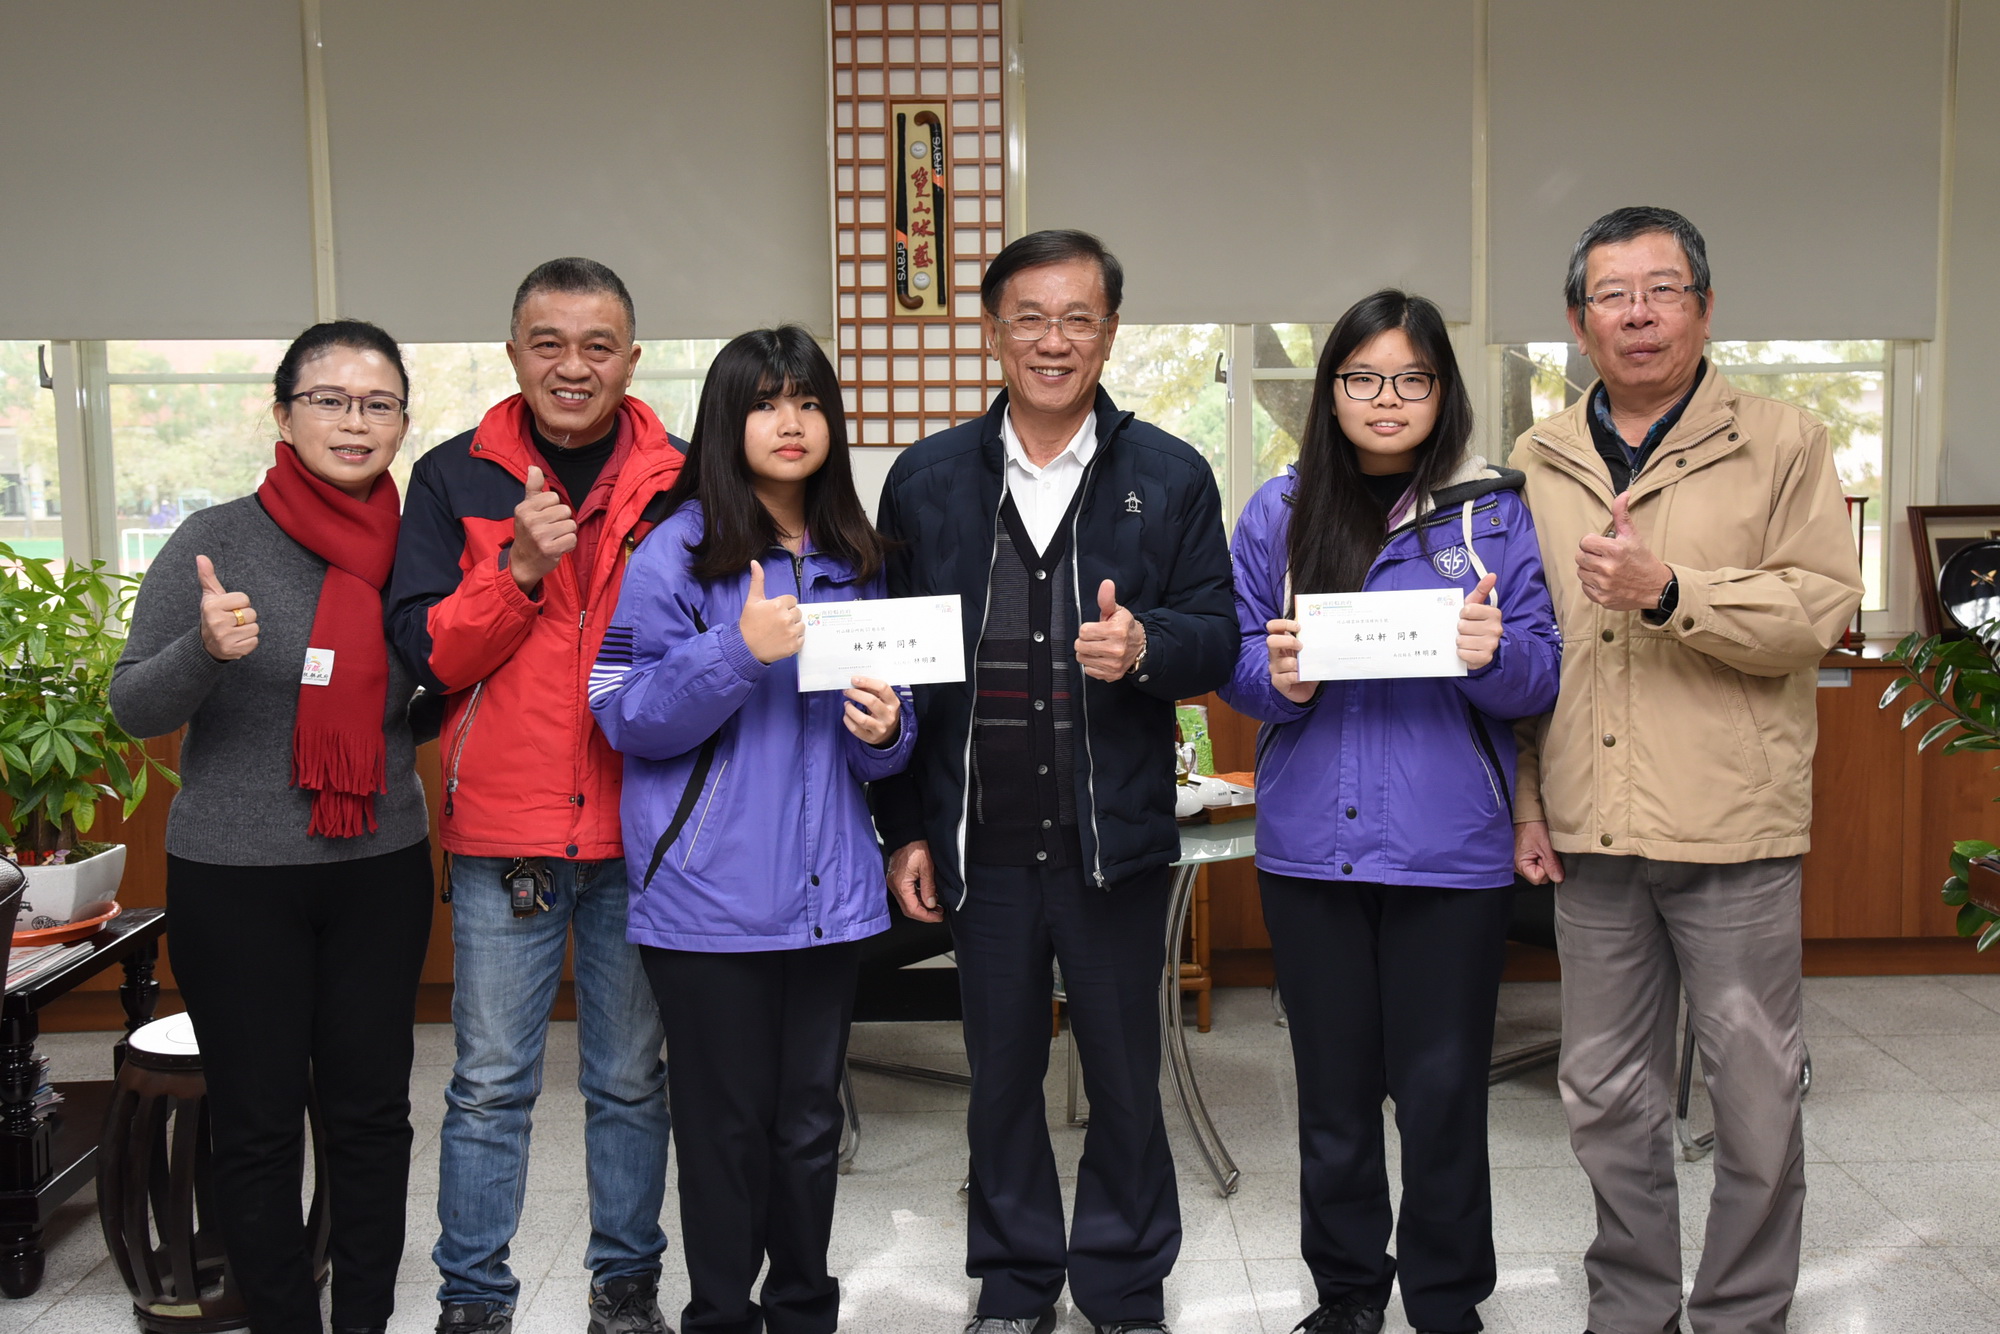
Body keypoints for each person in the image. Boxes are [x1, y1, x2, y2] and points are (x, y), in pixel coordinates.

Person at [870, 229, 1238, 1334]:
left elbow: (1217, 636)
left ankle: (1123, 1284)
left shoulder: (1168, 474)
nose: (1052, 339)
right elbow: (892, 669)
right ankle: (1015, 1280)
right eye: (1029, 317)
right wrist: (905, 826)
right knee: (999, 1079)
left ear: (1110, 332)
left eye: (1078, 317)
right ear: (993, 330)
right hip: (979, 841)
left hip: (1109, 839)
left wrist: (1146, 646)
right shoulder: (927, 481)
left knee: (1124, 1075)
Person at [1510, 207, 1864, 1334]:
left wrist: (1670, 591)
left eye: (1662, 290)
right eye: (1612, 295)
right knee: (1603, 1097)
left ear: (1704, 308)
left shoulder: (1783, 441)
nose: (1638, 314)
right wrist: (1528, 800)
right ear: (1578, 321)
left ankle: (1742, 1313)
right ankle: (1629, 1309)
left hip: (1732, 827)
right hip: (1589, 827)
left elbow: (1816, 611)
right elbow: (1528, 648)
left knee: (1753, 1096)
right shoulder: (1536, 458)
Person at [1222, 291, 1561, 1334]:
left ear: (1441, 393)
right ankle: (1345, 1294)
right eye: (1362, 377)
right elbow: (1235, 657)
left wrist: (1491, 656)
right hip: (1308, 851)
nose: (1386, 398)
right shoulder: (1277, 511)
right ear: (1329, 391)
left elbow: (1542, 670)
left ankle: (1446, 1298)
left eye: (1411, 378)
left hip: (1448, 852)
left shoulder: (1489, 513)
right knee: (1330, 1093)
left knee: (1442, 1092)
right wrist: (1279, 678)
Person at [110, 320, 432, 1334]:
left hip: (379, 864)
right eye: (329, 399)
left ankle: (365, 1321)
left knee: (372, 1117)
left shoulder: (419, 546)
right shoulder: (213, 538)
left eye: (377, 403)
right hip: (235, 876)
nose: (354, 421)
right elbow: (133, 706)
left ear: (403, 422)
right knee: (256, 1125)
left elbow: (433, 686)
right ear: (283, 414)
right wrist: (205, 651)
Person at [591, 326, 913, 1334]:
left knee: (809, 1127)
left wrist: (888, 732)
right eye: (766, 402)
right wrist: (737, 651)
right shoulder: (676, 552)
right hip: (707, 899)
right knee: (723, 1132)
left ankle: (804, 1309)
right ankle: (721, 1315)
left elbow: (877, 746)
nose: (790, 422)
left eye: (808, 402)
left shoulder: (858, 559)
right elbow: (623, 714)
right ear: (726, 422)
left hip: (828, 895)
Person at [386, 258, 682, 1334]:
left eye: (597, 345)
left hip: (641, 826)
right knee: (489, 1082)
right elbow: (427, 652)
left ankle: (625, 1289)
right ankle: (473, 1299)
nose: (572, 365)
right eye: (547, 342)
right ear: (513, 351)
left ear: (631, 359)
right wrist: (512, 570)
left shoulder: (682, 480)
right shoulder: (451, 477)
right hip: (502, 832)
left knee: (630, 1079)